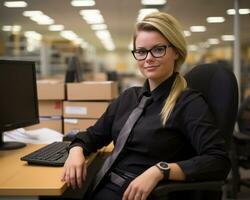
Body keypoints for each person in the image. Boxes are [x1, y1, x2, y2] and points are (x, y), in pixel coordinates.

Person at [61, 12, 230, 200]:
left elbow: (218, 160)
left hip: (146, 194)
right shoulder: (128, 98)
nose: (148, 58)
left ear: (176, 51)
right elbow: (93, 136)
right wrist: (76, 151)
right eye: (141, 51)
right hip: (106, 185)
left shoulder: (188, 103)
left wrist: (160, 170)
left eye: (158, 49)